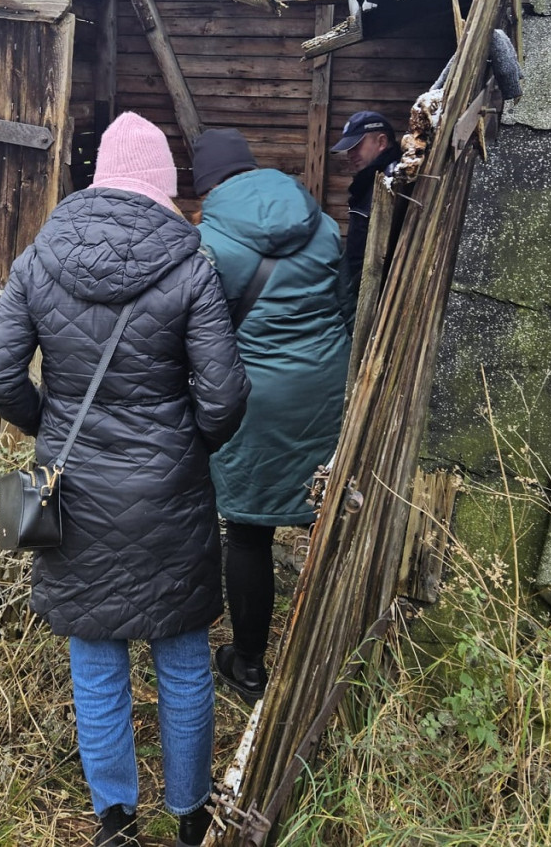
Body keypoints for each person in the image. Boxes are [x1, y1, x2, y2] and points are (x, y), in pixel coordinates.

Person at [0, 112, 250, 847]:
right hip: (171, 494)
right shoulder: (191, 264)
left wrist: (50, 427)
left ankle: (115, 822)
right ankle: (191, 818)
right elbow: (224, 396)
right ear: (162, 184)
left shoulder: (40, 258)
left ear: (99, 178)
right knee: (186, 656)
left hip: (79, 492)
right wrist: (185, 447)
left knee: (96, 657)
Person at [191, 128, 352, 706]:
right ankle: (332, 657)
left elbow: (200, 334)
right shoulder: (325, 226)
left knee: (250, 531)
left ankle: (249, 666)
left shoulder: (208, 243)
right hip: (328, 388)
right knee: (329, 516)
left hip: (256, 397)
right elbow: (347, 303)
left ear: (206, 183)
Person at [330, 110, 402, 298]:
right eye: (349, 148)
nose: (350, 154)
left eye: (357, 145)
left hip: (377, 295)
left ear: (381, 142)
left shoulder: (393, 182)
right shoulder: (368, 182)